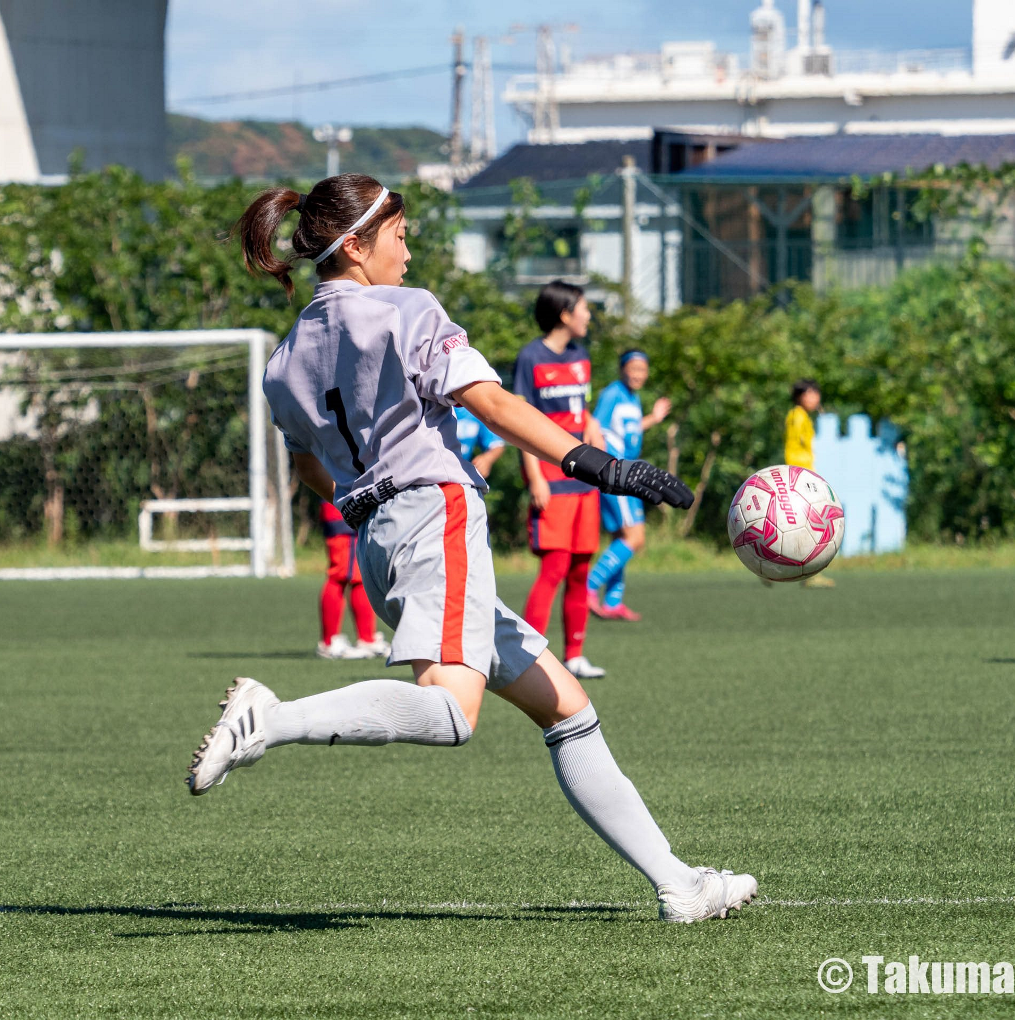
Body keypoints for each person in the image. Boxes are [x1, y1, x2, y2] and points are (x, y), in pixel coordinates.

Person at [187, 173, 757, 923]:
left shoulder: (284, 358)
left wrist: (379, 504)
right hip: (436, 518)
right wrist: (602, 466)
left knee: (568, 708)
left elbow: (311, 474)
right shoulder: (407, 310)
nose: (409, 249)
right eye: (398, 234)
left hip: (379, 545)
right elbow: (491, 402)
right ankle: (272, 718)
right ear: (355, 246)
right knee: (452, 715)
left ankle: (679, 883)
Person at [514, 282, 608, 679]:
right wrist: (534, 475)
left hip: (584, 479)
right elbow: (519, 419)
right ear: (565, 314)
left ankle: (574, 655)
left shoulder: (581, 356)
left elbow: (578, 408)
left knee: (581, 569)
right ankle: (527, 658)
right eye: (585, 308)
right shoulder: (531, 357)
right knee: (553, 567)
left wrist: (592, 423)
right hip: (551, 477)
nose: (589, 315)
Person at [586, 350, 672, 621]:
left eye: (642, 369)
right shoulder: (612, 393)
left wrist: (654, 418)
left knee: (620, 538)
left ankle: (612, 602)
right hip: (617, 473)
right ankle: (587, 586)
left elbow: (627, 430)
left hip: (627, 473)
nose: (637, 374)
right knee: (635, 538)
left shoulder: (633, 398)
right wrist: (603, 468)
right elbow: (595, 427)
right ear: (622, 369)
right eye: (632, 368)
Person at [315, 501, 390, 660]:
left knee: (358, 576)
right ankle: (329, 642)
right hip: (345, 508)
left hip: (348, 507)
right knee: (340, 575)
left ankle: (366, 638)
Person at [784, 378, 835, 589]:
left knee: (796, 528)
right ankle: (810, 574)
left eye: (816, 393)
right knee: (813, 526)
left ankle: (772, 567)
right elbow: (795, 445)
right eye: (810, 394)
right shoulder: (798, 416)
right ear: (800, 397)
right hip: (800, 477)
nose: (815, 398)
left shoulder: (801, 416)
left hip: (803, 476)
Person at [453, 405, 507, 477]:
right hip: (434, 473)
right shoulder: (434, 406)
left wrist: (487, 459)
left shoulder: (474, 409)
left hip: (459, 475)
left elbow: (497, 444)